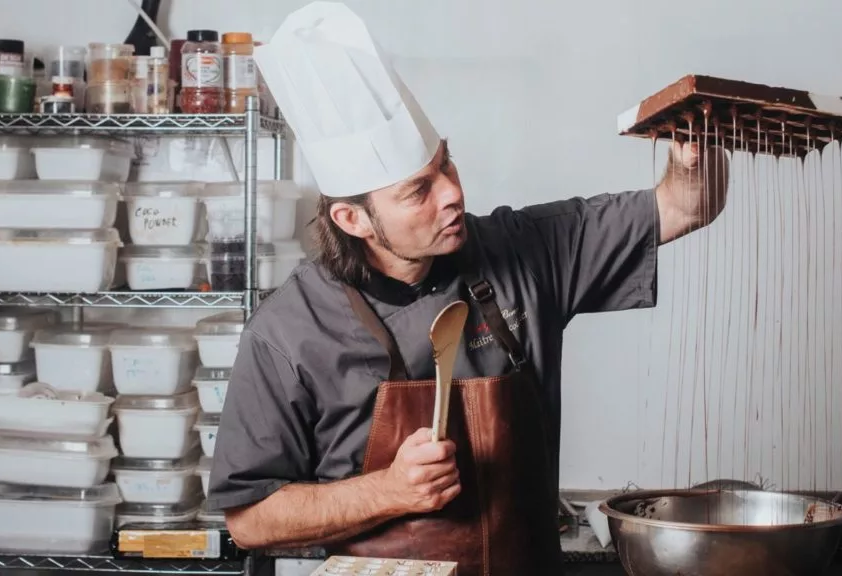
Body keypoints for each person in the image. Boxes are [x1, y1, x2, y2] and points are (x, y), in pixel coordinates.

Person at [207, 2, 729, 575]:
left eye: (446, 164)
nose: (452, 193)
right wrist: (388, 491)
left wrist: (694, 149)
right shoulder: (286, 333)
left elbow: (687, 204)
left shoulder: (523, 250)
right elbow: (250, 519)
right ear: (353, 221)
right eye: (418, 190)